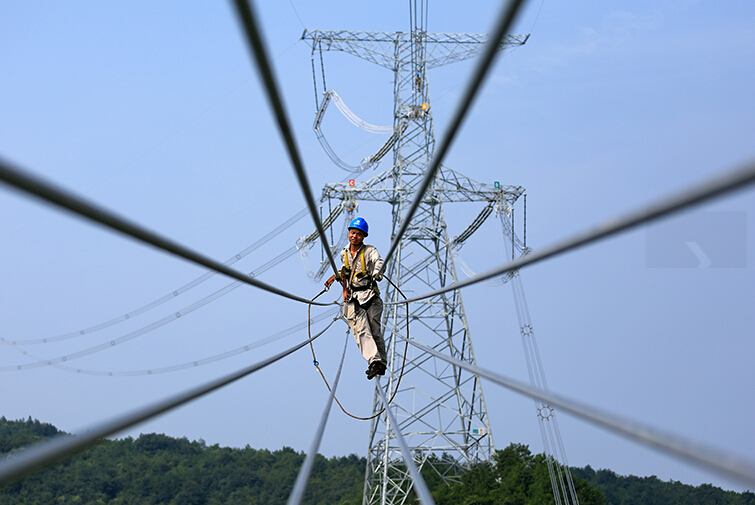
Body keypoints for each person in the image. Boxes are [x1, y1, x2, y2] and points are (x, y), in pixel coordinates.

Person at [325, 217, 387, 380]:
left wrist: (377, 272)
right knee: (360, 330)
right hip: (354, 297)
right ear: (349, 233)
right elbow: (347, 273)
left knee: (374, 330)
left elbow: (379, 261)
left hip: (371, 295)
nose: (355, 236)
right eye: (353, 233)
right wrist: (343, 288)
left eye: (359, 234)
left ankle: (381, 362)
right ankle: (374, 361)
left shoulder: (370, 251)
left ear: (363, 236)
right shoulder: (344, 253)